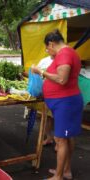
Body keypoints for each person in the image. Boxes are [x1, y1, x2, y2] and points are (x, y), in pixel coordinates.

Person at [32, 29, 83, 180]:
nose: (49, 52)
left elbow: (62, 79)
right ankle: (65, 171)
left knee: (61, 139)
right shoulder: (66, 53)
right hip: (64, 102)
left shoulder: (65, 54)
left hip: (66, 103)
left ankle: (59, 176)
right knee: (66, 138)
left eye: (48, 49)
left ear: (51, 44)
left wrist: (41, 72)